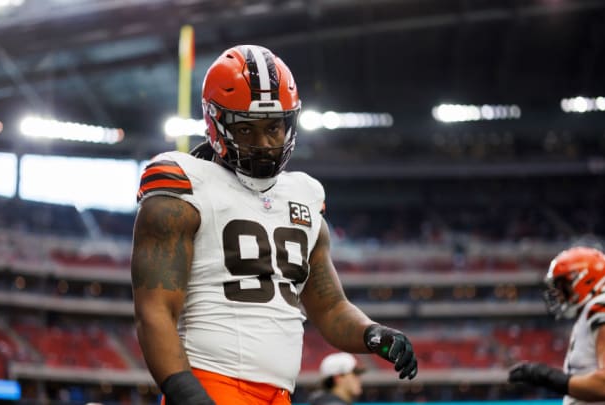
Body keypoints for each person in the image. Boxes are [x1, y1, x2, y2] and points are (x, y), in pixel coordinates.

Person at [131, 44, 417, 405]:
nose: (264, 143)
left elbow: (329, 307)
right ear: (215, 122)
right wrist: (186, 392)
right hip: (211, 384)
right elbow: (154, 310)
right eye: (246, 129)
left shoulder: (305, 194)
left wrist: (373, 333)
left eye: (274, 128)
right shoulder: (184, 183)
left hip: (281, 395)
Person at [508, 246, 605, 404]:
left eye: (562, 285)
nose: (557, 293)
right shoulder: (592, 313)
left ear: (585, 279)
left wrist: (548, 377)